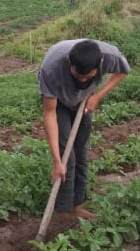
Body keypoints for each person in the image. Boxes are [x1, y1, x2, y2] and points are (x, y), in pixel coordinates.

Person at [39, 39, 130, 220]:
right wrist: (57, 161)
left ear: (100, 65)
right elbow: (49, 114)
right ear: (69, 63)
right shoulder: (51, 69)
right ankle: (63, 210)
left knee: (81, 152)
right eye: (77, 75)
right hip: (60, 102)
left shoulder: (109, 56)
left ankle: (77, 205)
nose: (82, 79)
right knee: (67, 156)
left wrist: (97, 96)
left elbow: (123, 71)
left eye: (87, 77)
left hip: (84, 101)